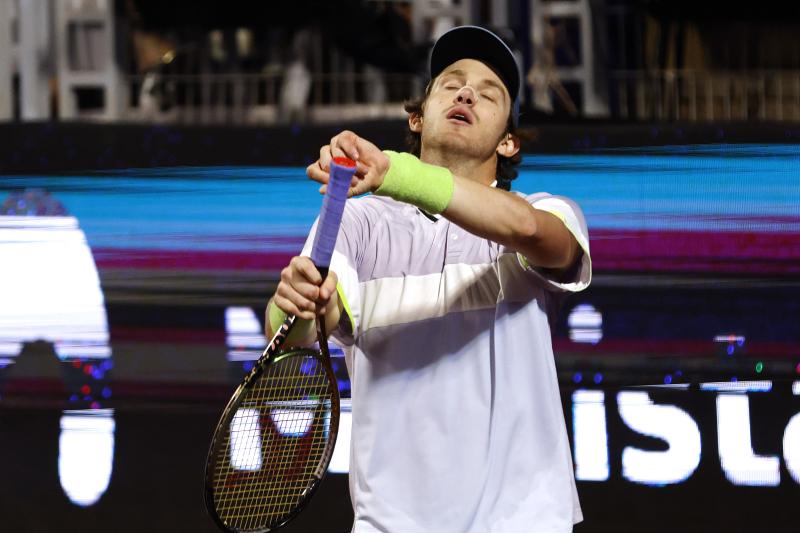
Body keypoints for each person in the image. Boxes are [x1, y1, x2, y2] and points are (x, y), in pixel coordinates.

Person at [266, 25, 591, 533]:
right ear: (418, 118)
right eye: (451, 84)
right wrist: (294, 307)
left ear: (508, 142)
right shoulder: (359, 221)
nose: (467, 93)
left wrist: (395, 172)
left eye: (489, 94)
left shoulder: (539, 212)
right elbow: (306, 325)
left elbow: (532, 232)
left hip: (522, 521)